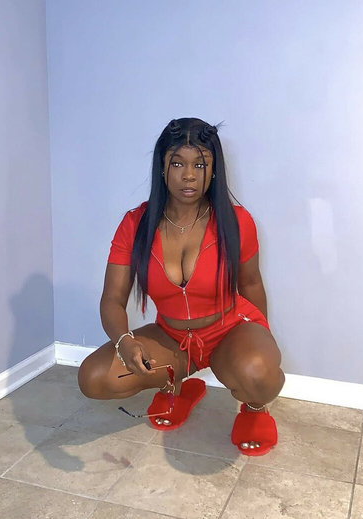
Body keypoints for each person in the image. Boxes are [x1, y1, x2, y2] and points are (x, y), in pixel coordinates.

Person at [78, 117, 285, 456]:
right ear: (162, 167)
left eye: (200, 164)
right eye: (177, 163)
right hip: (172, 338)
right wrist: (124, 342)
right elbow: (112, 299)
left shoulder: (237, 221)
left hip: (229, 330)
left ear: (213, 170)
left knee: (258, 373)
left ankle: (254, 407)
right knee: (94, 377)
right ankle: (178, 386)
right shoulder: (135, 224)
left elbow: (251, 283)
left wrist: (260, 341)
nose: (189, 175)